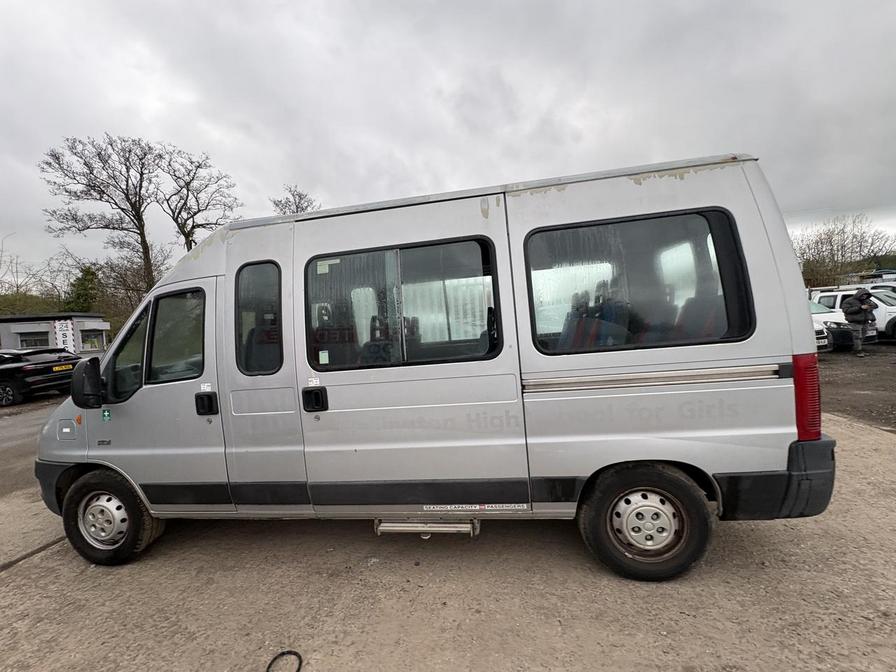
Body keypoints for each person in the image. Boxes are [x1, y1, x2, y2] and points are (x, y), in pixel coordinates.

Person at [841, 288, 878, 357]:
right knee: (857, 337)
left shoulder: (866, 300)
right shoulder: (848, 301)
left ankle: (856, 349)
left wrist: (872, 319)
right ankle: (858, 351)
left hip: (865, 322)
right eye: (863, 295)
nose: (864, 297)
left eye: (866, 296)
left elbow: (875, 307)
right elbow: (846, 310)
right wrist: (860, 308)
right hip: (855, 322)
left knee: (862, 337)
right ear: (859, 294)